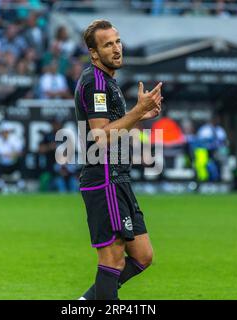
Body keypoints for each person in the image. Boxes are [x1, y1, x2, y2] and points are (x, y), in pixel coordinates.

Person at [75, 20, 163, 300]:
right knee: (112, 261)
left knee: (142, 256)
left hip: (118, 177)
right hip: (103, 178)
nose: (116, 48)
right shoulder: (95, 83)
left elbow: (114, 131)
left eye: (117, 41)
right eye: (107, 44)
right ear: (93, 53)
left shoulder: (108, 82)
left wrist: (140, 116)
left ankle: (86, 301)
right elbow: (100, 137)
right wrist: (137, 110)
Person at [0, 122, 25, 191]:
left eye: (6, 131)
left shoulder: (15, 139)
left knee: (21, 159)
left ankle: (21, 182)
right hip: (1, 164)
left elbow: (20, 152)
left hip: (12, 163)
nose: (5, 133)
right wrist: (6, 154)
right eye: (3, 131)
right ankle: (0, 183)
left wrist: (12, 154)